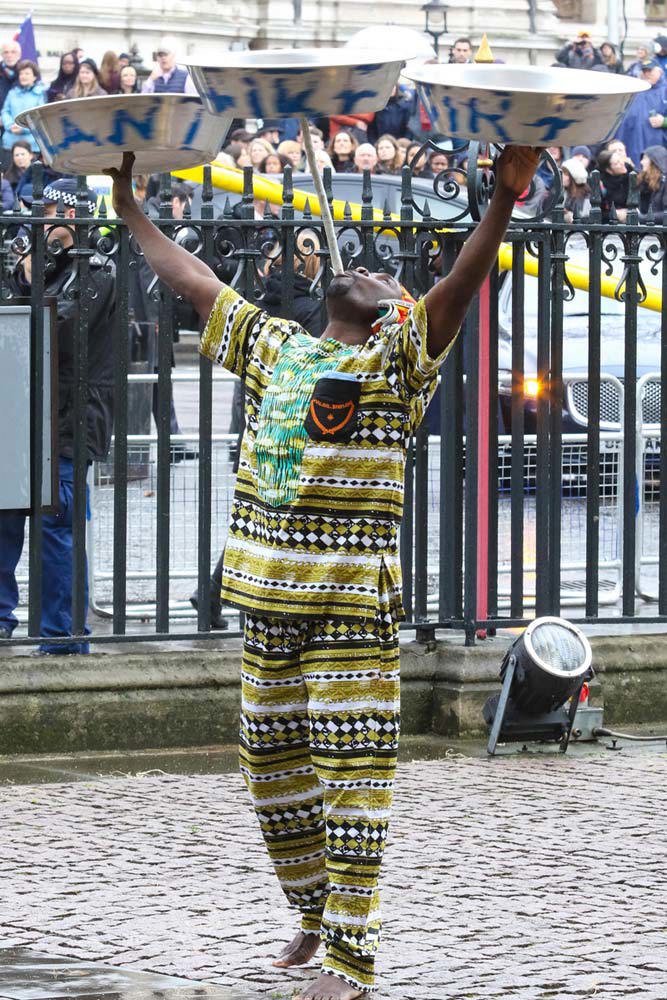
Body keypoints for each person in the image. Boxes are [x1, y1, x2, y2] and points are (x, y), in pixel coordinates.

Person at [106, 142, 540, 1000]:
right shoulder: (277, 350)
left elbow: (456, 287)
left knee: (353, 779)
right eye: (367, 268)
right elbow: (192, 280)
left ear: (394, 315)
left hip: (348, 608)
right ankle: (314, 911)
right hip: (265, 605)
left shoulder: (396, 365)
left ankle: (350, 958)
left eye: (387, 278)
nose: (371, 270)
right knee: (269, 775)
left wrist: (500, 200)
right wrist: (129, 209)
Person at [0, 179, 115, 653]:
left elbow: (57, 334)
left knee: (57, 526)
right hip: (20, 415)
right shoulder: (45, 268)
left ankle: (62, 636)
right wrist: (24, 279)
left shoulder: (97, 269)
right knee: (5, 517)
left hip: (68, 421)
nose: (38, 220)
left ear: (71, 217)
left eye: (47, 211)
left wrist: (30, 281)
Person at [614, 58, 667, 172]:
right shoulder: (634, 91)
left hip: (657, 149)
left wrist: (664, 121)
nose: (647, 74)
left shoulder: (665, 91)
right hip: (633, 146)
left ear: (660, 71)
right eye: (644, 71)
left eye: (650, 71)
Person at [1, 60, 45, 152]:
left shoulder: (41, 93)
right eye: (21, 74)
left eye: (27, 73)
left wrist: (23, 128)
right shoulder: (12, 93)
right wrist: (10, 125)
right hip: (10, 143)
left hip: (33, 145)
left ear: (34, 77)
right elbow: (5, 111)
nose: (23, 76)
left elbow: (41, 116)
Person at [597, 147, 630, 222]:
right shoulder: (601, 184)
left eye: (620, 160)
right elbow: (596, 213)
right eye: (616, 163)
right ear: (609, 170)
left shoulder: (631, 174)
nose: (621, 163)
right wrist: (614, 214)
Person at [560, 156, 591, 221]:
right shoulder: (563, 191)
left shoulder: (586, 196)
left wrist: (569, 215)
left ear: (573, 177)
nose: (562, 176)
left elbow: (585, 219)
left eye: (565, 174)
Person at [0, 39, 21, 117]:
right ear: (1, 54)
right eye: (6, 52)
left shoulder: (26, 72)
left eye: (13, 52)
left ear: (19, 55)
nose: (9, 55)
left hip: (20, 121)